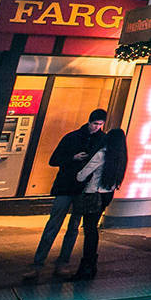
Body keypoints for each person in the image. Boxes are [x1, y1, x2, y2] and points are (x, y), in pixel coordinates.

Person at [26, 109, 108, 280]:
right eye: (95, 124)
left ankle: (58, 262)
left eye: (100, 125)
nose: (97, 127)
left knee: (71, 227)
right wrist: (73, 158)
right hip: (70, 187)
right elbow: (54, 160)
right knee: (56, 225)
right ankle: (40, 263)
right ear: (89, 121)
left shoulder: (98, 139)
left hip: (80, 189)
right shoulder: (74, 138)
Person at [68, 126, 126, 280]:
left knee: (89, 230)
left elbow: (82, 175)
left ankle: (87, 266)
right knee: (92, 229)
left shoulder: (102, 154)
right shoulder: (121, 157)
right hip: (108, 194)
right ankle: (90, 265)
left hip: (94, 194)